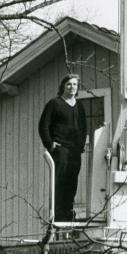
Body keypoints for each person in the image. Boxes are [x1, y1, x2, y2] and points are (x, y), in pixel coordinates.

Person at [39, 75, 88, 222]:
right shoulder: (54, 104)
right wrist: (50, 143)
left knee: (72, 183)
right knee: (59, 182)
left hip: (74, 152)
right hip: (60, 150)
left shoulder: (79, 106)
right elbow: (43, 125)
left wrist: (80, 146)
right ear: (63, 86)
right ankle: (58, 216)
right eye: (69, 84)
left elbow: (83, 128)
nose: (72, 87)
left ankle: (68, 214)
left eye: (74, 85)